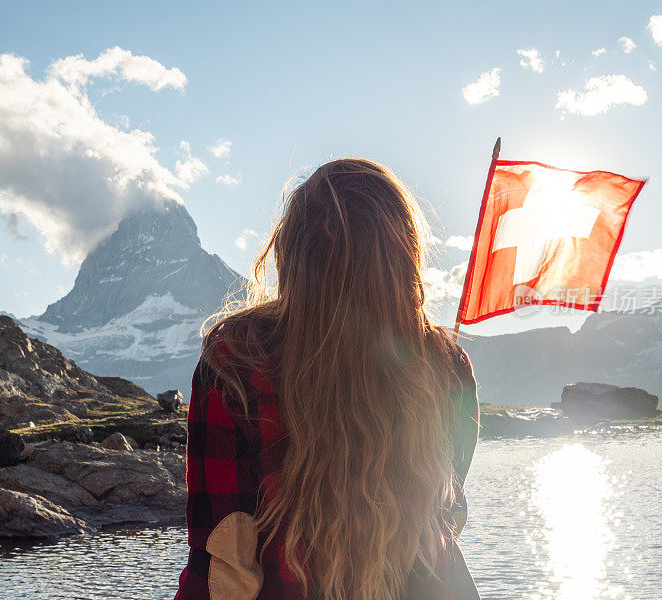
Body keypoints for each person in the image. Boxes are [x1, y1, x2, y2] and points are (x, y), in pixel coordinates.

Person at [175, 158, 480, 600]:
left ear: (291, 256)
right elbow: (446, 517)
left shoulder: (235, 362)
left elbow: (221, 566)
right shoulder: (448, 367)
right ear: (405, 260)